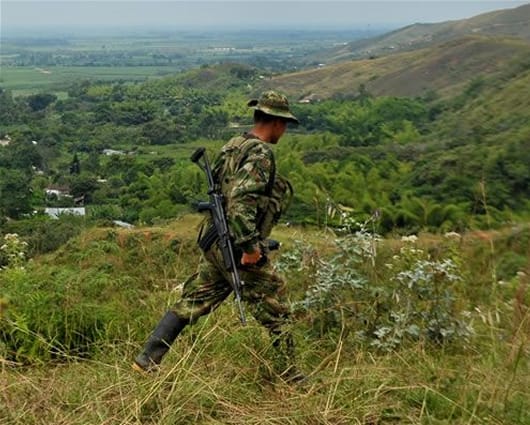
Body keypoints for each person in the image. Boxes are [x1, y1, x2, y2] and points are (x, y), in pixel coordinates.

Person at [133, 90, 304, 382]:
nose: (284, 130)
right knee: (276, 308)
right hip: (237, 246)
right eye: (284, 124)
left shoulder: (234, 145)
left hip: (217, 241)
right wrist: (250, 247)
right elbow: (240, 203)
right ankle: (292, 377)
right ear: (275, 122)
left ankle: (147, 359)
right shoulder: (260, 153)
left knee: (193, 300)